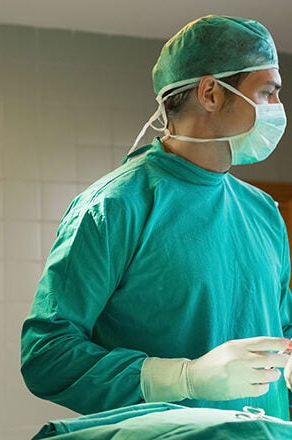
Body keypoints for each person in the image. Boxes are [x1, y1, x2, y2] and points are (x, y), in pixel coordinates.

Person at [20, 15, 292, 420]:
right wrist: (184, 378)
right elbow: (47, 355)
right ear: (211, 93)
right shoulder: (114, 206)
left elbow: (282, 331)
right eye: (267, 93)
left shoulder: (262, 212)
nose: (277, 109)